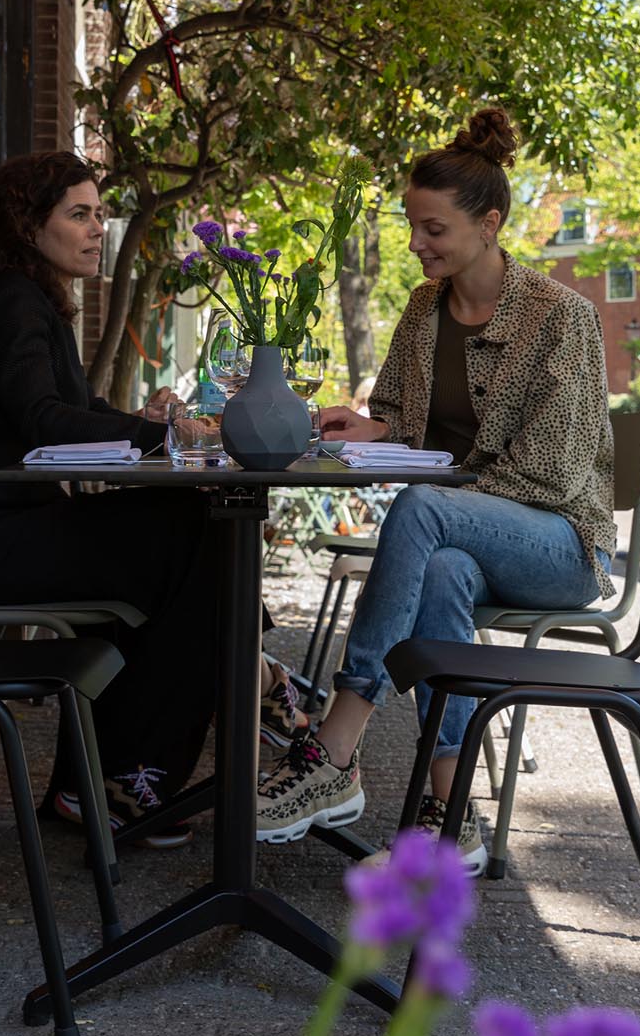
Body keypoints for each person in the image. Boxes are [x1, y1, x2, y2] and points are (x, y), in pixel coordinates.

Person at [256, 108, 615, 872]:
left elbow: (554, 472)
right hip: (463, 540)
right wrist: (367, 428)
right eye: (412, 227)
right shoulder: (424, 310)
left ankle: (336, 740)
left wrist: (446, 486)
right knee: (442, 572)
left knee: (423, 513)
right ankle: (450, 815)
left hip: (559, 543)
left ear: (488, 224)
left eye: (432, 229)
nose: (416, 244)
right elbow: (396, 413)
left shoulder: (563, 318)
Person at [0, 151, 301, 847]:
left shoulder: (29, 303)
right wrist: (162, 434)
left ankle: (113, 776)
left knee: (192, 532)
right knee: (192, 536)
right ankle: (201, 721)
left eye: (100, 214)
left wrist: (150, 426)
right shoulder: (9, 303)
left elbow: (71, 408)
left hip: (2, 532)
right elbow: (42, 420)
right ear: (28, 226)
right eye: (80, 214)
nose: (98, 230)